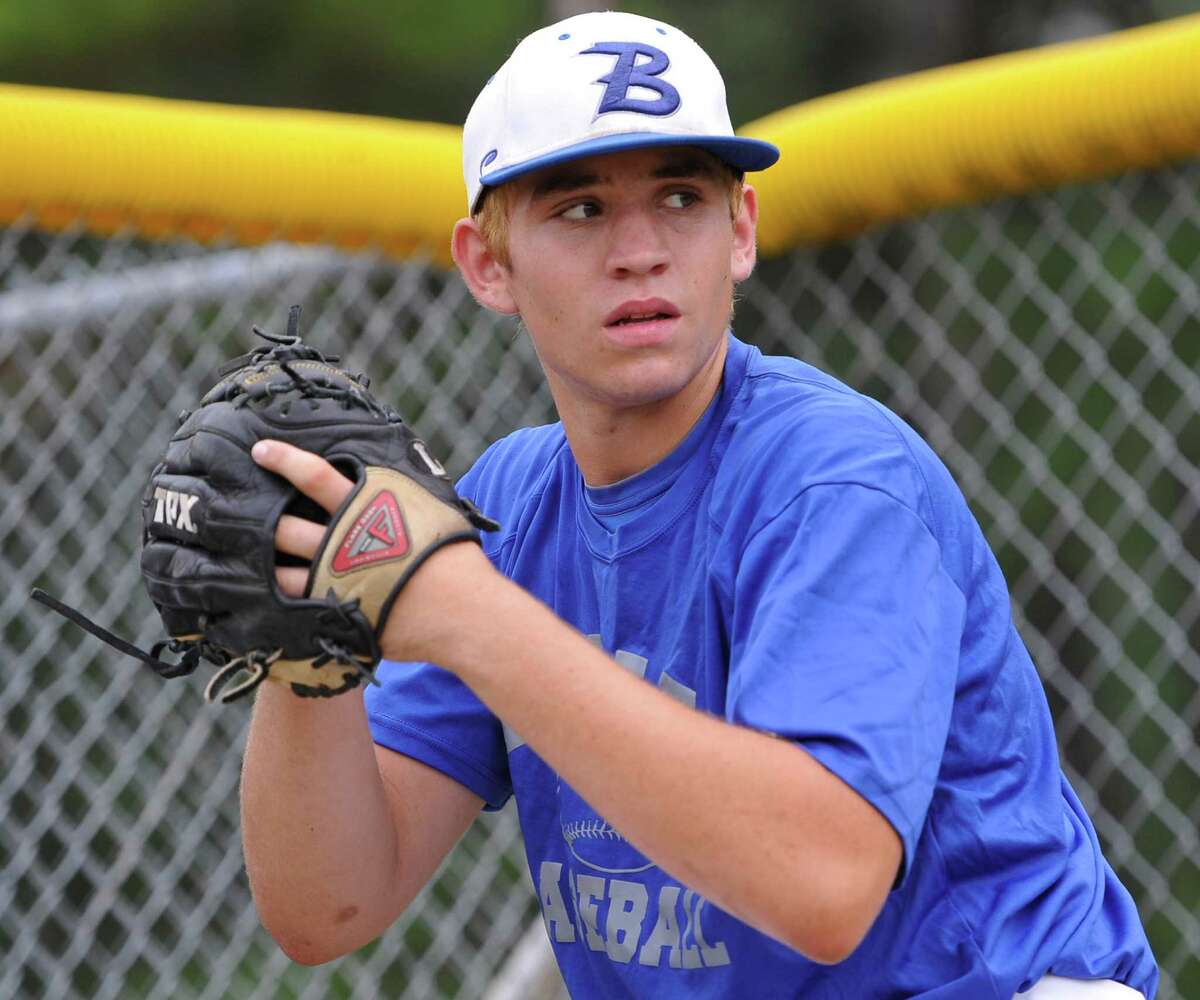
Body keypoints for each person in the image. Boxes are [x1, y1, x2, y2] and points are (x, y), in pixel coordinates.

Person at [239, 11, 1158, 998]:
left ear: (741, 232)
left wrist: (468, 616)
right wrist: (304, 661)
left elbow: (823, 884)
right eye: (579, 208)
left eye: (681, 195)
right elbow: (325, 907)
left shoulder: (831, 481)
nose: (638, 249)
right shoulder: (508, 502)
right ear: (487, 264)